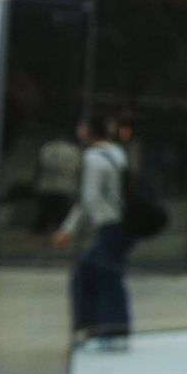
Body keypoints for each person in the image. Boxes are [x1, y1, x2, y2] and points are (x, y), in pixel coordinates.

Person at [53, 118, 131, 349]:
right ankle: (113, 331)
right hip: (121, 225)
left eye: (82, 127)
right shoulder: (117, 152)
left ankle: (96, 330)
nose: (79, 132)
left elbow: (89, 199)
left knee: (87, 276)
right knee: (109, 277)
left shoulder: (92, 158)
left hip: (108, 225)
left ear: (89, 131)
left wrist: (67, 229)